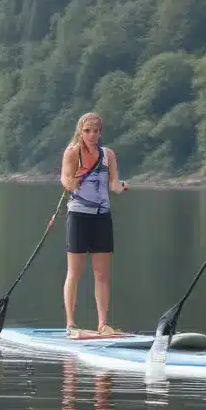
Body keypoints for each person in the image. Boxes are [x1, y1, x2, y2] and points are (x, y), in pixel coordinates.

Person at [59, 112, 127, 337]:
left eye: (96, 131)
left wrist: (121, 187)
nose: (92, 135)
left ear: (101, 132)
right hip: (79, 216)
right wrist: (72, 181)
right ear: (81, 131)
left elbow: (114, 184)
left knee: (102, 274)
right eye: (87, 131)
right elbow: (65, 181)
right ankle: (70, 324)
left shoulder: (108, 155)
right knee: (75, 272)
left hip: (102, 217)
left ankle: (103, 324)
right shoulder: (72, 152)